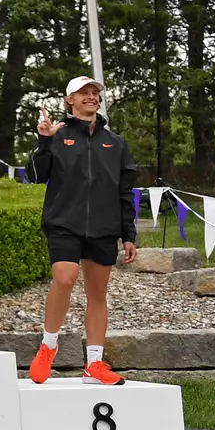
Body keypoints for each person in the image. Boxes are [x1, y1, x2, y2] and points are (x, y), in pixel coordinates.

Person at [26, 76, 137, 385]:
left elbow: (125, 192)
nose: (90, 96)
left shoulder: (115, 143)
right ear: (69, 101)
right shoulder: (57, 137)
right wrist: (44, 142)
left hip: (103, 227)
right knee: (64, 277)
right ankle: (48, 346)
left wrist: (128, 234)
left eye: (94, 92)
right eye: (83, 92)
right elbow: (35, 175)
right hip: (64, 223)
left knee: (97, 293)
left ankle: (95, 364)